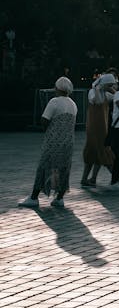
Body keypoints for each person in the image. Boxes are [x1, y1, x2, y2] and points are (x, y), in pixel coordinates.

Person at [18, 77, 78, 209]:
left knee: (44, 167)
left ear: (58, 88)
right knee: (63, 168)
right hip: (68, 141)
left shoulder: (54, 102)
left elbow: (44, 120)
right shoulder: (73, 104)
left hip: (53, 141)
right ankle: (59, 197)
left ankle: (34, 197)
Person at [81, 72, 117, 187]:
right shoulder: (93, 92)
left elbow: (117, 97)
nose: (111, 88)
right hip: (94, 127)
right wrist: (99, 88)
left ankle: (88, 179)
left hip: (102, 127)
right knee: (101, 151)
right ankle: (116, 178)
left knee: (95, 153)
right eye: (109, 85)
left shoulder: (105, 93)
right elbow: (97, 100)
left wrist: (111, 90)